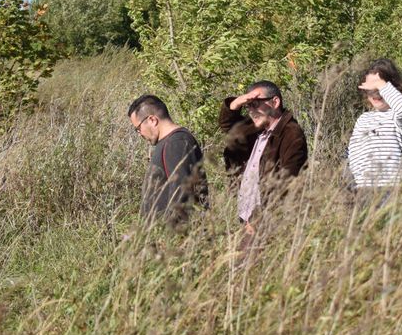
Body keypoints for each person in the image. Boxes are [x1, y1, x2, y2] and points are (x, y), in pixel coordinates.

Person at [219, 80, 308, 233]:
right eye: (248, 106)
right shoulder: (256, 128)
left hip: (268, 222)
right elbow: (228, 126)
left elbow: (286, 182)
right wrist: (235, 104)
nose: (251, 110)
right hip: (247, 220)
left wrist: (258, 219)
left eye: (256, 104)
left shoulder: (291, 133)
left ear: (275, 102)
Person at [127, 94, 208, 226]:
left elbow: (182, 194)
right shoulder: (169, 142)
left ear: (152, 120)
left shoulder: (177, 143)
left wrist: (174, 239)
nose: (140, 134)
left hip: (176, 238)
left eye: (138, 128)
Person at [347, 58, 402, 191]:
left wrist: (381, 84)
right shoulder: (363, 119)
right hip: (363, 189)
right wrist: (356, 184)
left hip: (390, 188)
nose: (375, 93)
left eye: (378, 88)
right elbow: (354, 153)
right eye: (370, 89)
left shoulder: (400, 115)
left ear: (392, 88)